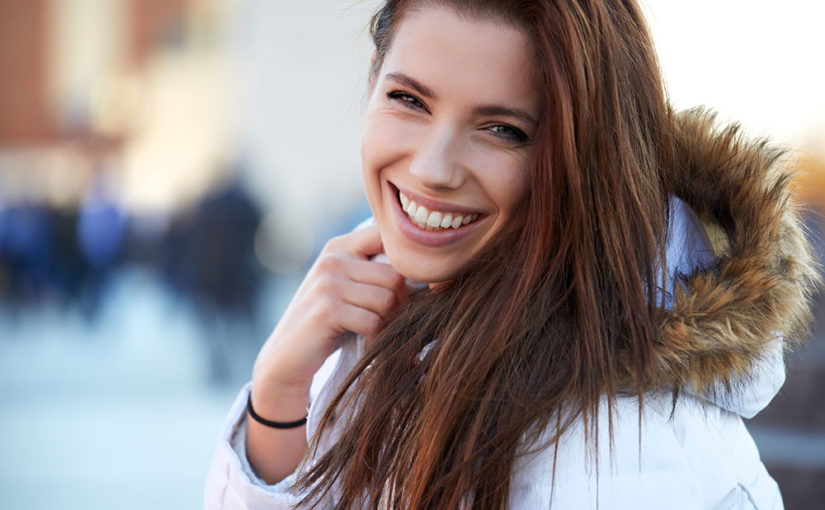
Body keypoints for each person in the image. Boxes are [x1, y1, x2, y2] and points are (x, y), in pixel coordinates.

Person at [204, 1, 819, 508]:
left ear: (583, 158)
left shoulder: (617, 444)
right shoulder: (416, 321)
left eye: (503, 130)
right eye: (409, 100)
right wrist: (279, 400)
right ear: (372, 77)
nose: (432, 168)